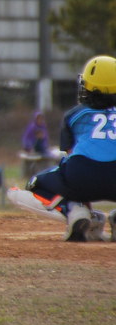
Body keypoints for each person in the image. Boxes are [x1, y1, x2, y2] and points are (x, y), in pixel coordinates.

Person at [7, 55, 116, 242]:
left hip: (82, 175)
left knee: (35, 183)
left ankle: (76, 211)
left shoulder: (74, 115)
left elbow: (72, 155)